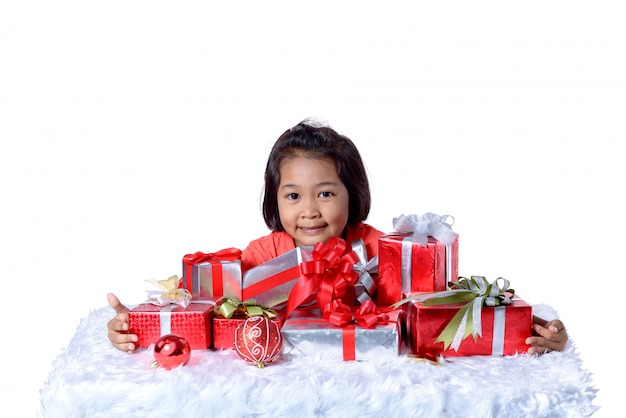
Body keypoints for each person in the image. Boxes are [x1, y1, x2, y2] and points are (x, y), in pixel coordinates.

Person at [107, 119, 568, 355]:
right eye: (292, 195)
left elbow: (443, 303)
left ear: (353, 194)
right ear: (275, 200)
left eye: (325, 192)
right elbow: (204, 307)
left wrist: (535, 331)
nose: (309, 209)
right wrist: (140, 326)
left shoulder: (380, 249)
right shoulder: (262, 256)